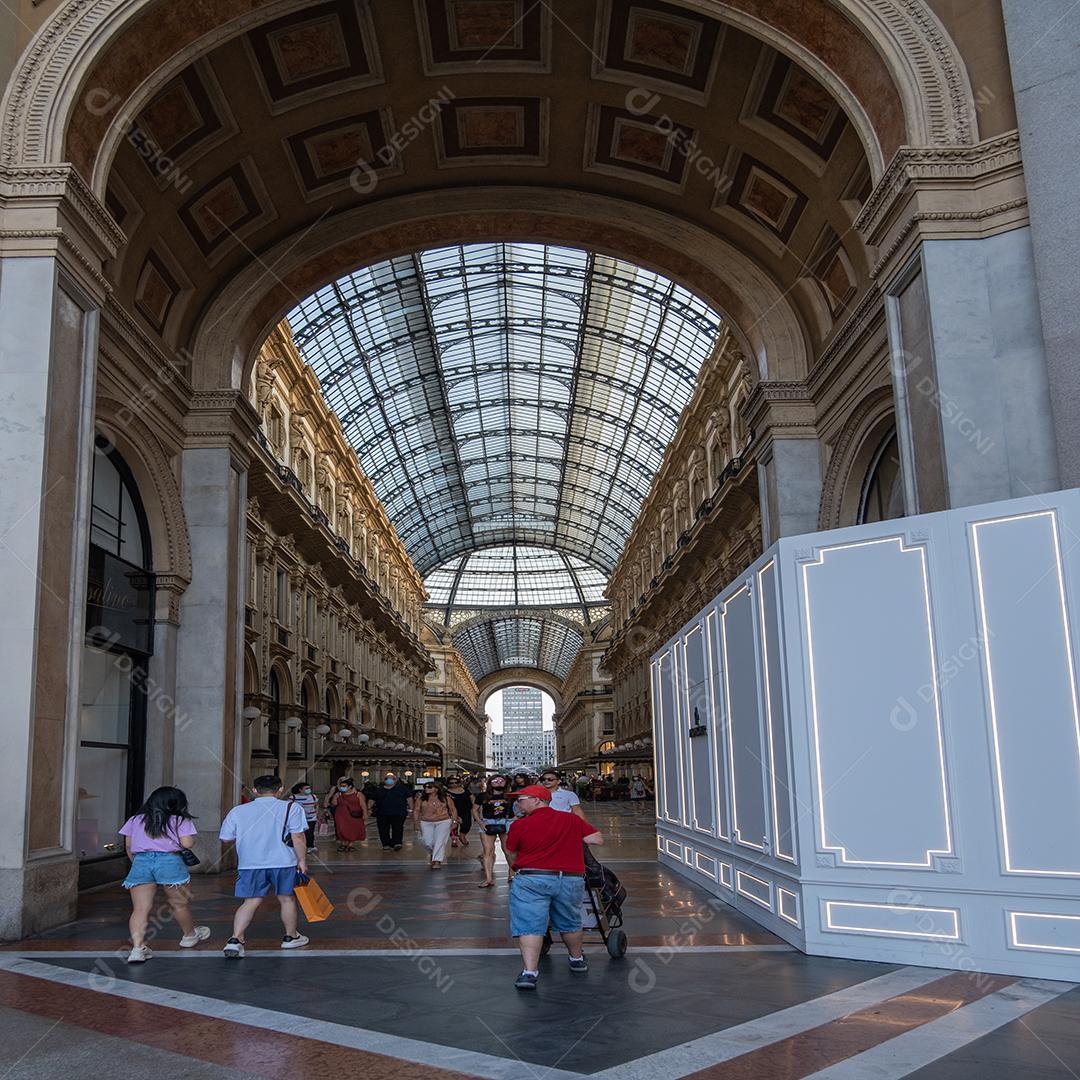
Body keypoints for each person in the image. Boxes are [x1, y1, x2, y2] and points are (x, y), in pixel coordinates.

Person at [505, 784, 603, 990]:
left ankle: (529, 973)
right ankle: (576, 959)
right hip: (569, 879)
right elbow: (596, 839)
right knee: (570, 920)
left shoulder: (519, 825)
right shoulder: (571, 819)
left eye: (521, 799)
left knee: (529, 924)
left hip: (531, 879)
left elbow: (512, 852)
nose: (517, 803)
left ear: (537, 800)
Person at [219, 775, 310, 957]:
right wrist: (302, 861)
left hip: (250, 863)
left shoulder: (238, 811)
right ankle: (290, 937)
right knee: (286, 899)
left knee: (251, 901)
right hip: (283, 862)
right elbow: (298, 837)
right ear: (280, 789)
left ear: (254, 790)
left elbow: (226, 838)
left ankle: (236, 940)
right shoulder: (291, 808)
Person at [119, 786, 210, 963]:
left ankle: (137, 948)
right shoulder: (180, 820)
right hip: (170, 861)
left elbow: (128, 846)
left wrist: (136, 863)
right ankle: (189, 936)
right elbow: (187, 843)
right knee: (179, 905)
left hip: (141, 862)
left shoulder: (135, 820)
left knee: (140, 909)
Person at [476, 775, 517, 888]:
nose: (498, 783)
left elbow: (520, 808)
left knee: (508, 850)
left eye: (501, 781)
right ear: (490, 783)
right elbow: (474, 810)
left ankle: (512, 873)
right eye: (495, 781)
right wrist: (480, 822)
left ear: (505, 783)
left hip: (507, 821)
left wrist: (516, 819)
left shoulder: (510, 796)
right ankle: (488, 878)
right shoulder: (483, 796)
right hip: (488, 822)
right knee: (487, 851)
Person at [412, 780, 459, 868]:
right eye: (425, 787)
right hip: (426, 821)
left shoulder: (445, 798)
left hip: (443, 821)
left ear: (436, 789)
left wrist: (454, 821)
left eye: (429, 787)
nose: (426, 789)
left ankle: (437, 861)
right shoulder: (421, 798)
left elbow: (453, 809)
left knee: (440, 841)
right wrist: (416, 822)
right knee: (426, 841)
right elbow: (416, 810)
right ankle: (433, 852)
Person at [367, 772, 413, 851]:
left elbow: (409, 798)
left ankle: (397, 843)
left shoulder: (402, 789)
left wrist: (411, 809)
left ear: (395, 780)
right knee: (383, 829)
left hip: (399, 812)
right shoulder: (379, 790)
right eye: (386, 779)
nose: (389, 780)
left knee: (397, 828)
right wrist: (368, 808)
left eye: (391, 779)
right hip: (382, 813)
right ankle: (386, 844)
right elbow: (372, 799)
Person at [327, 777, 366, 852]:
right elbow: (334, 803)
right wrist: (334, 796)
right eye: (341, 786)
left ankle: (350, 844)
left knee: (353, 829)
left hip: (354, 815)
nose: (342, 788)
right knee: (341, 829)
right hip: (341, 815)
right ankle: (343, 843)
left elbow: (363, 805)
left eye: (344, 786)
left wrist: (365, 814)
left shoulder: (358, 794)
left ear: (350, 786)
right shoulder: (338, 794)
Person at [290, 781, 319, 853]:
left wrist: (317, 812)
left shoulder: (313, 796)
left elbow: (316, 805)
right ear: (300, 790)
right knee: (300, 833)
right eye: (306, 788)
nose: (308, 789)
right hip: (298, 818)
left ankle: (310, 846)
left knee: (310, 832)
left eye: (309, 788)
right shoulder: (293, 798)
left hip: (311, 817)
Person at [446, 775, 475, 844]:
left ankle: (462, 836)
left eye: (456, 782)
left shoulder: (465, 790)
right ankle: (454, 839)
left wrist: (474, 807)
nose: (454, 784)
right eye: (451, 783)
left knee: (466, 825)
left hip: (466, 811)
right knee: (453, 825)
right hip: (452, 811)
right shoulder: (446, 793)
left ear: (459, 783)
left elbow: (472, 798)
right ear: (448, 784)